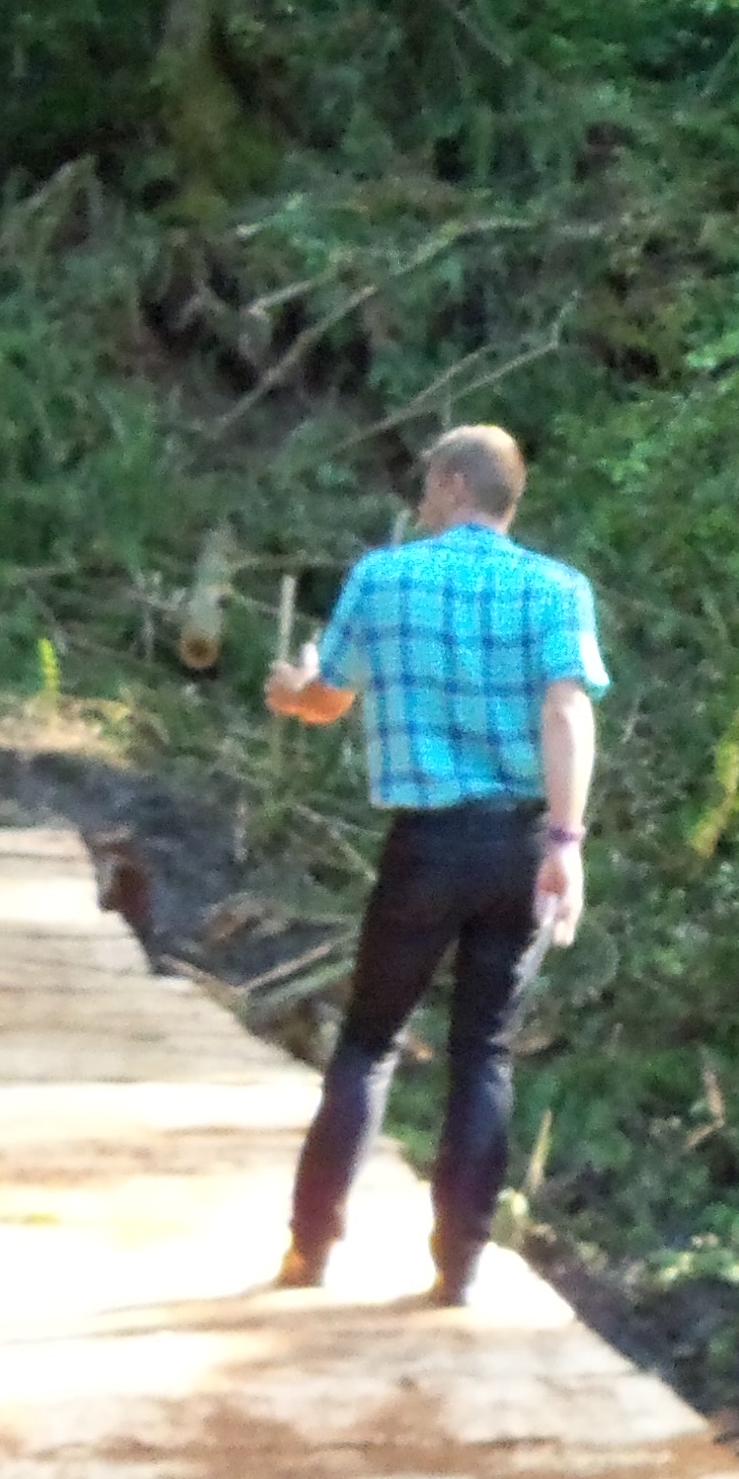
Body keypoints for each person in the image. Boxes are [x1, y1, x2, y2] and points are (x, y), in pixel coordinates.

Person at [261, 424, 606, 1304]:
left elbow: (327, 700)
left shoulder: (383, 578)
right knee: (483, 1052)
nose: (419, 502)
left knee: (368, 1042)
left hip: (425, 847)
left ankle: (311, 1249)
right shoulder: (557, 589)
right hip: (518, 845)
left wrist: (291, 690)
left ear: (456, 484)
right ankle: (459, 1268)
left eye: (427, 485)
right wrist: (566, 845)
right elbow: (567, 712)